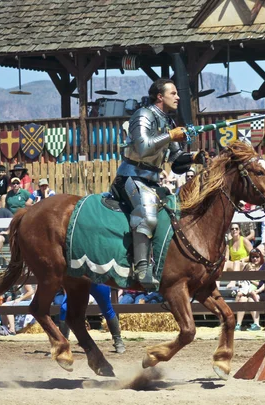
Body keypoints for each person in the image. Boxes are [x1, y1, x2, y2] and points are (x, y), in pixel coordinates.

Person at [110, 78, 204, 289]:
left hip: (152, 181)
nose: (178, 97)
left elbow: (175, 161)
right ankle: (142, 268)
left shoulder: (166, 122)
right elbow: (143, 148)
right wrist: (170, 135)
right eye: (173, 93)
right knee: (147, 214)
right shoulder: (143, 115)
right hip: (132, 177)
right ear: (160, 96)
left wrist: (194, 158)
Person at [57, 283, 126, 353]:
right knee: (64, 309)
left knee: (107, 309)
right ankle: (63, 344)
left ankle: (118, 340)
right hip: (79, 282)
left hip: (97, 280)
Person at [234, 249, 265, 332]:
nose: (255, 259)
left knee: (251, 299)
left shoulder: (264, 266)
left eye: (257, 257)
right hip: (248, 290)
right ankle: (238, 324)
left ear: (260, 257)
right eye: (253, 257)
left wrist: (257, 291)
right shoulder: (249, 266)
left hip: (262, 291)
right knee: (242, 299)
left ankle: (256, 323)